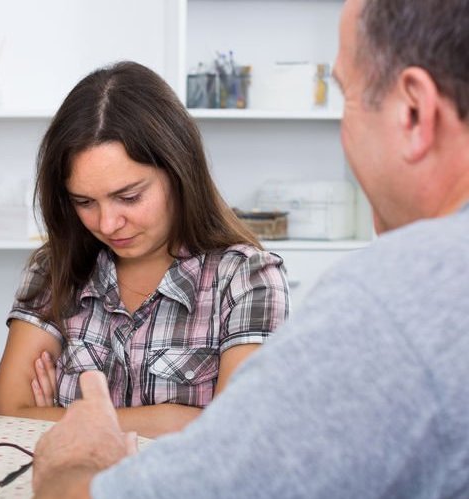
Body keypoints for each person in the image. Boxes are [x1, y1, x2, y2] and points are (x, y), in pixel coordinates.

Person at [32, 0, 469, 496]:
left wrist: (71, 463)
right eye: (87, 201)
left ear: (414, 109)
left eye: (344, 94)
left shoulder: (393, 300)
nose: (109, 222)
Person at [0, 61, 289, 438]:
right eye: (85, 202)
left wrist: (57, 419)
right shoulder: (57, 268)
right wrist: (170, 420)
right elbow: (5, 414)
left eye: (129, 197)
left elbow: (235, 434)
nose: (107, 223)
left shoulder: (248, 278)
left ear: (179, 170)